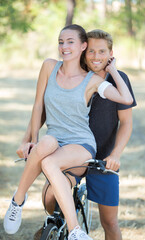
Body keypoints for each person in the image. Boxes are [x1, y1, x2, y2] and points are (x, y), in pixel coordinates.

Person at [4, 25, 133, 240]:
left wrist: (116, 155)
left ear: (111, 54)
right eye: (91, 50)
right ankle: (55, 224)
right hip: (61, 149)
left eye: (102, 51)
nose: (95, 56)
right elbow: (41, 108)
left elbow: (127, 120)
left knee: (109, 221)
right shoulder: (64, 70)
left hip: (100, 157)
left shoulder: (107, 80)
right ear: (84, 50)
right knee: (49, 197)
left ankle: (74, 230)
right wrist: (29, 140)